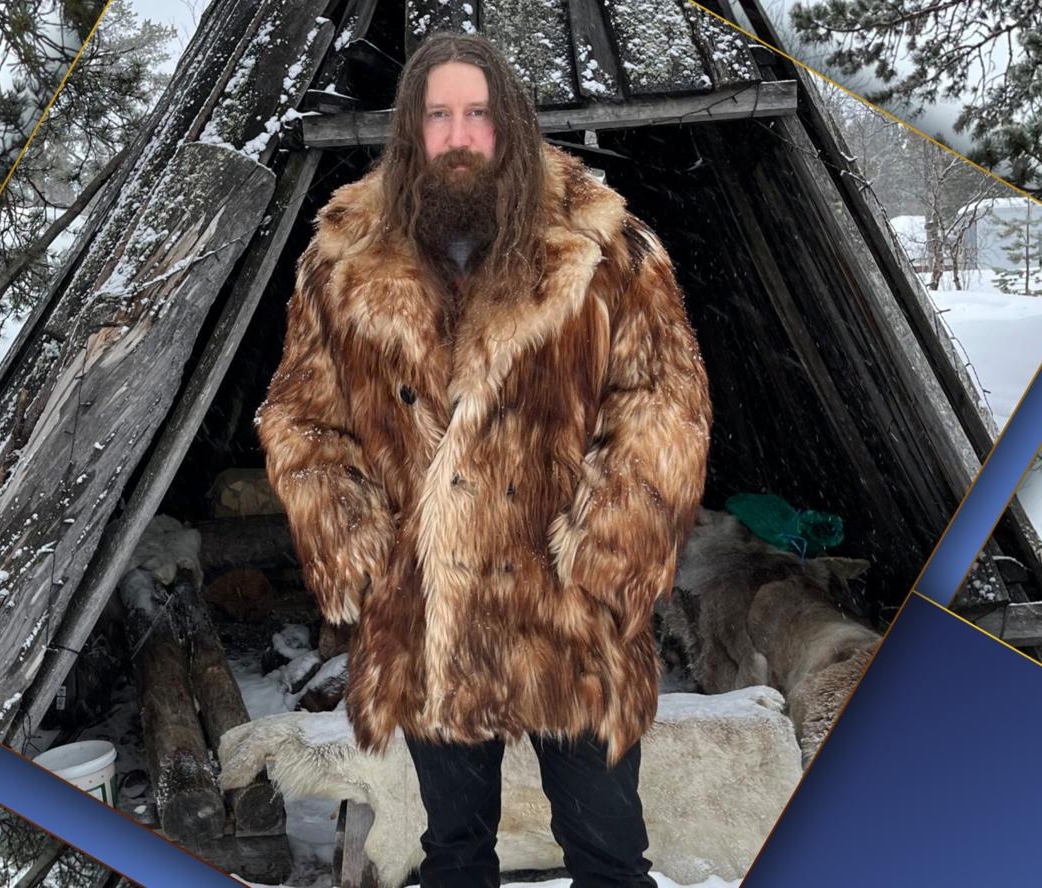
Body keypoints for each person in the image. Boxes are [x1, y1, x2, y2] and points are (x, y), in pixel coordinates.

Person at [255, 31, 712, 888]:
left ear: (509, 123)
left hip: (570, 613)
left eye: (477, 114)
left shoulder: (605, 247)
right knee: (454, 856)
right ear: (410, 130)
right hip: (429, 612)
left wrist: (606, 552)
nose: (458, 135)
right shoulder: (341, 259)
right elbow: (302, 417)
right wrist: (358, 546)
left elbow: (664, 402)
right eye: (437, 116)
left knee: (611, 854)